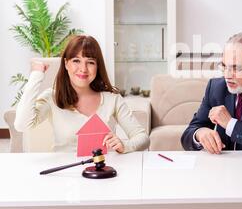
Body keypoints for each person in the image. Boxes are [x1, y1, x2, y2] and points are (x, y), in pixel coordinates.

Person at [14, 35, 150, 153]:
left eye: (90, 62)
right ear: (66, 64)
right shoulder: (52, 98)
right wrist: (36, 75)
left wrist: (125, 145)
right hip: (64, 176)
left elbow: (142, 138)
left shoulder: (112, 99)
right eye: (76, 61)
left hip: (102, 173)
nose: (83, 69)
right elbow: (22, 125)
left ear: (97, 66)